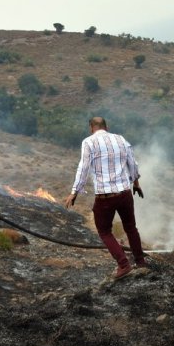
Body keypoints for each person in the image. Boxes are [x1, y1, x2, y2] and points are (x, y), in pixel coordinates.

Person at [64, 116, 146, 280]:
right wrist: (136, 183)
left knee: (104, 231)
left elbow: (83, 168)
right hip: (124, 193)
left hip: (105, 197)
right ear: (106, 127)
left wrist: (74, 192)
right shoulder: (120, 139)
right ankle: (141, 262)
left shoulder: (88, 142)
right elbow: (132, 163)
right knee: (131, 227)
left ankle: (124, 265)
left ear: (91, 128)